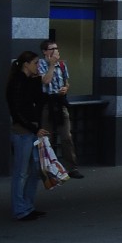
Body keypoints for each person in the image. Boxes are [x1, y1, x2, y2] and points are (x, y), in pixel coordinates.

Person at [7, 51, 50, 221]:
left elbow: (39, 101)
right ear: (26, 64)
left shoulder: (30, 81)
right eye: (35, 63)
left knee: (35, 170)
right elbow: (16, 110)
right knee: (21, 171)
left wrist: (36, 80)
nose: (38, 66)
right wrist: (33, 128)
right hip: (23, 130)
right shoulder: (16, 82)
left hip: (33, 129)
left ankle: (28, 205)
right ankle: (20, 208)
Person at [38, 39, 82, 179]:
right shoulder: (40, 64)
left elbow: (66, 81)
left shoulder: (62, 65)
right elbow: (45, 81)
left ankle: (71, 167)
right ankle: (48, 169)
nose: (55, 51)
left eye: (56, 48)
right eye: (51, 48)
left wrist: (65, 88)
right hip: (47, 103)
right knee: (47, 137)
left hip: (60, 101)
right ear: (45, 51)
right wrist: (51, 65)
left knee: (66, 136)